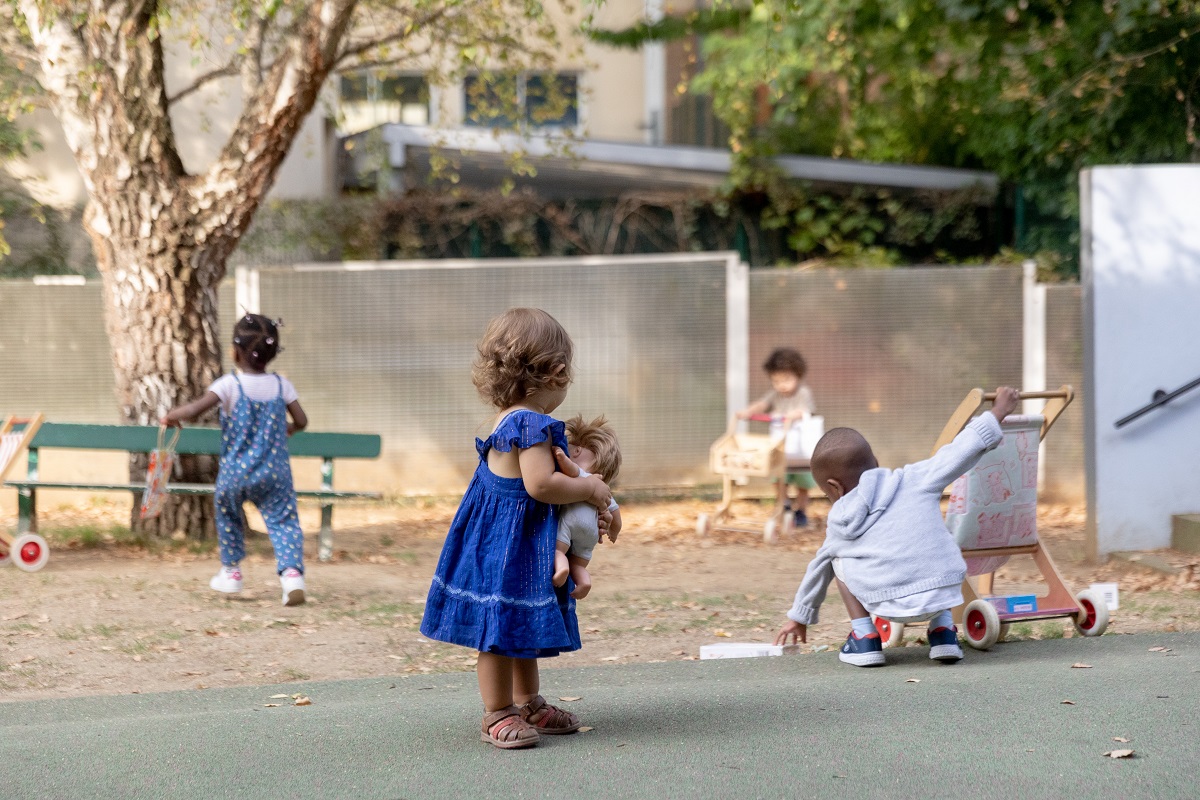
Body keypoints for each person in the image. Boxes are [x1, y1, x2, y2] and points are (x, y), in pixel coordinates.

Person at [419, 308, 614, 750]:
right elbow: (541, 485)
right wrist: (591, 488)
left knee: (520, 620)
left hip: (511, 538)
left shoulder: (509, 417)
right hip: (505, 544)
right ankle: (497, 712)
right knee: (498, 625)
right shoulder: (530, 423)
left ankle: (529, 702)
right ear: (559, 372)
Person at [773, 386, 1021, 667]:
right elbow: (960, 450)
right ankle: (943, 633)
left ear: (834, 487)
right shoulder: (915, 478)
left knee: (834, 558)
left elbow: (817, 570)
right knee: (933, 544)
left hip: (883, 602)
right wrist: (999, 410)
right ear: (876, 463)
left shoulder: (840, 519)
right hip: (943, 592)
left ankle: (864, 638)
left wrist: (800, 617)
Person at [162, 314, 309, 607]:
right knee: (283, 522)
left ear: (234, 351)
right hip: (275, 474)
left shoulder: (229, 385)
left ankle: (231, 572)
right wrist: (289, 429)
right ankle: (291, 575)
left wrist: (171, 416)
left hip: (235, 474)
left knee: (228, 515)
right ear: (272, 352)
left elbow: (194, 410)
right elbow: (302, 420)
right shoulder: (282, 386)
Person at [737, 347, 818, 527]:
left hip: (800, 449)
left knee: (803, 481)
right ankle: (784, 504)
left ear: (798, 375)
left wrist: (792, 414)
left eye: (786, 379)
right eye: (776, 381)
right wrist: (748, 411)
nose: (781, 385)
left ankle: (801, 510)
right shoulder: (775, 395)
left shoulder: (803, 393)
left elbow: (805, 411)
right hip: (780, 446)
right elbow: (762, 404)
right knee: (778, 477)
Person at [550, 414, 623, 600]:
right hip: (591, 534)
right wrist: (614, 532)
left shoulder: (580, 473)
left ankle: (561, 567)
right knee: (579, 565)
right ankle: (584, 581)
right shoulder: (604, 488)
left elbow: (569, 468)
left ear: (576, 451)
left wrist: (559, 456)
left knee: (559, 551)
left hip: (571, 523)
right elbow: (616, 514)